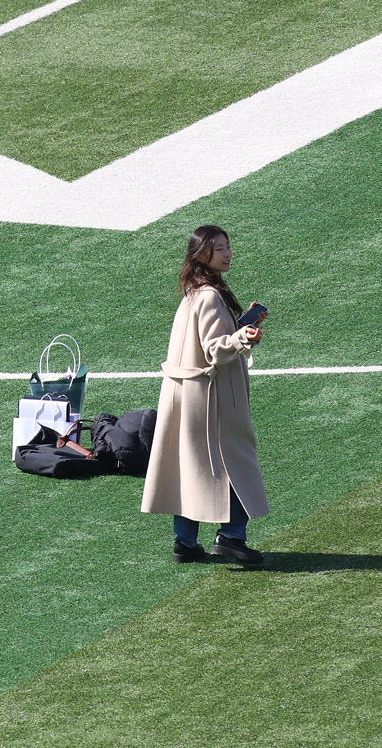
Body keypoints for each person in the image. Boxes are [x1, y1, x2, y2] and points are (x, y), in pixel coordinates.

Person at [141, 225, 269, 567]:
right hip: (212, 399)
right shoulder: (211, 295)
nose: (228, 254)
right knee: (238, 463)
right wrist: (243, 338)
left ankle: (184, 542)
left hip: (187, 396)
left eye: (228, 247)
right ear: (203, 255)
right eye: (220, 249)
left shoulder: (193, 293)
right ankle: (231, 537)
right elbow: (215, 350)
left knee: (191, 469)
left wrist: (239, 331)